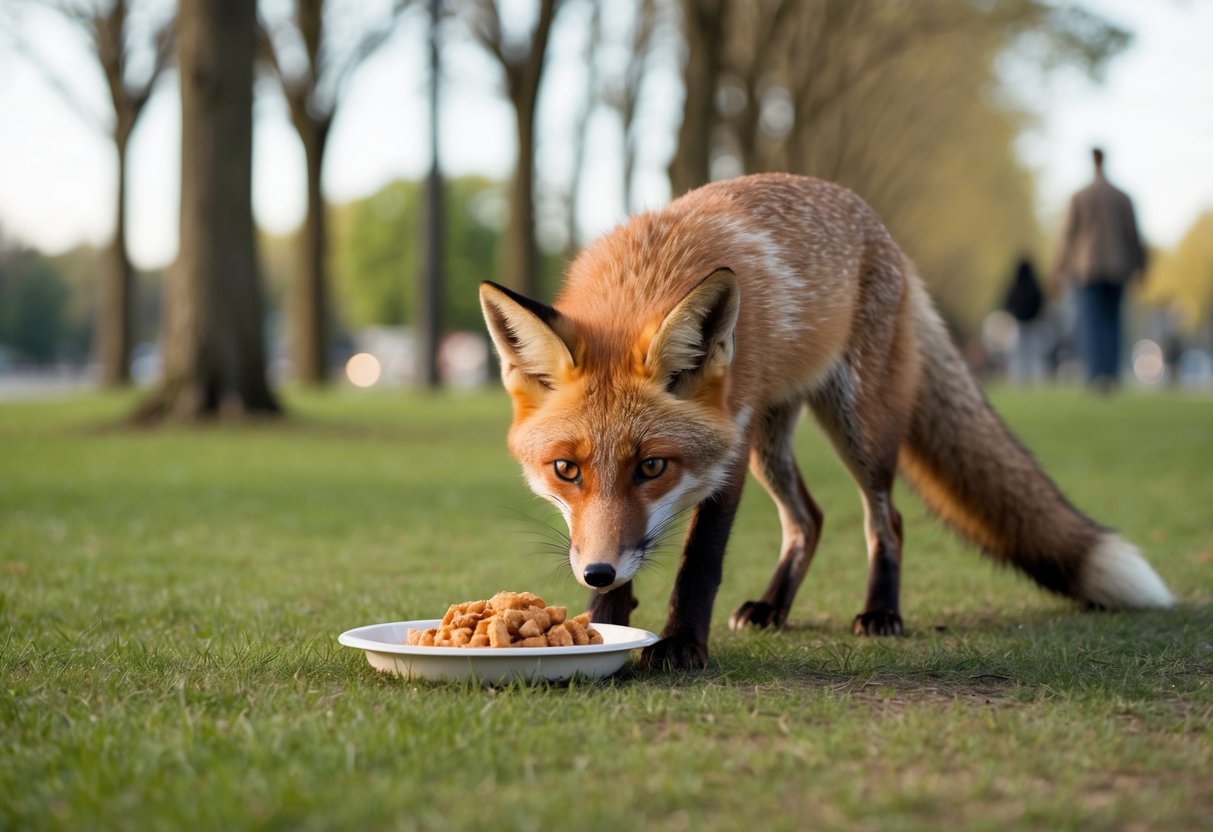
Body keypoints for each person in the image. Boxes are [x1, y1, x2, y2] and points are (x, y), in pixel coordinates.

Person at [1052, 147, 1147, 390]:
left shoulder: (1080, 196)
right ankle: (1111, 374)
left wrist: (1058, 269)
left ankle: (1095, 375)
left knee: (1091, 322)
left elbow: (1068, 235)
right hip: (1118, 267)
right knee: (1112, 322)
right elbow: (1133, 235)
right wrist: (1141, 267)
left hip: (1088, 269)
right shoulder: (1121, 197)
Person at [1001, 255, 1050, 384]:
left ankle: (1021, 378)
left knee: (1020, 353)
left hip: (1020, 323)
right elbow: (1042, 302)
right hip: (1033, 324)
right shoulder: (1035, 286)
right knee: (1033, 352)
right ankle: (1034, 378)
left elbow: (1007, 303)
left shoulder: (1014, 286)